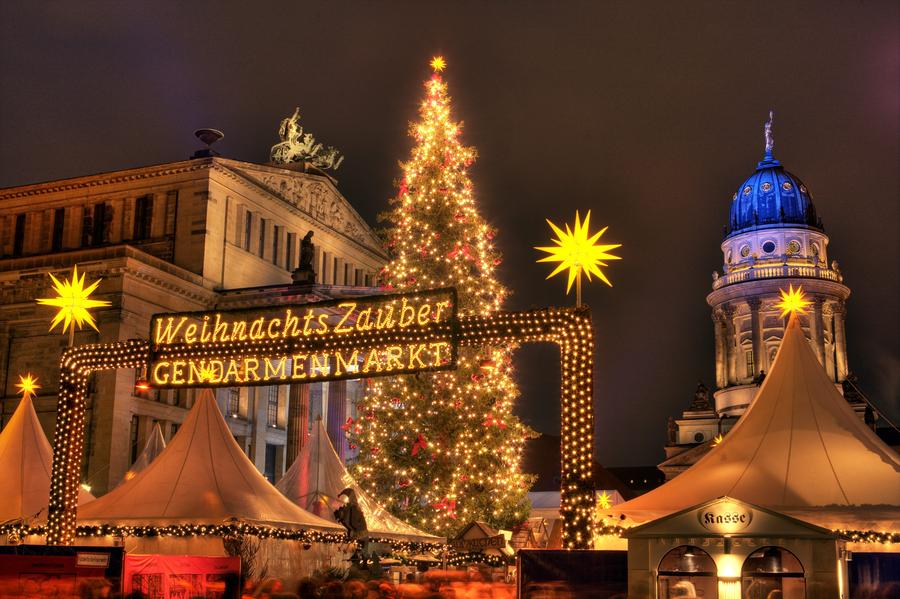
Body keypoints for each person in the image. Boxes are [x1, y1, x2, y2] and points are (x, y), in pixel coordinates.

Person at [334, 488, 369, 566]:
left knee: (362, 547)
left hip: (360, 532)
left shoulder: (354, 509)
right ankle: (360, 559)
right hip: (360, 533)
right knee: (362, 547)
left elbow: (354, 523)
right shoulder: (352, 509)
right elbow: (352, 523)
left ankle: (360, 560)